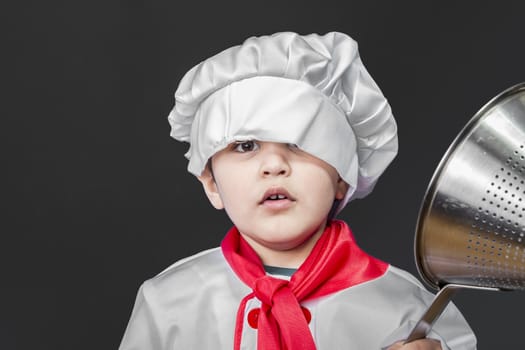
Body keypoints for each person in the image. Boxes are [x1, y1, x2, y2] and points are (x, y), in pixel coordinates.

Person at [119, 31, 476, 349]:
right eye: (244, 146)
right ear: (211, 184)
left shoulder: (410, 308)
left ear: (343, 177)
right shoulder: (168, 302)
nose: (274, 165)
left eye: (300, 143)